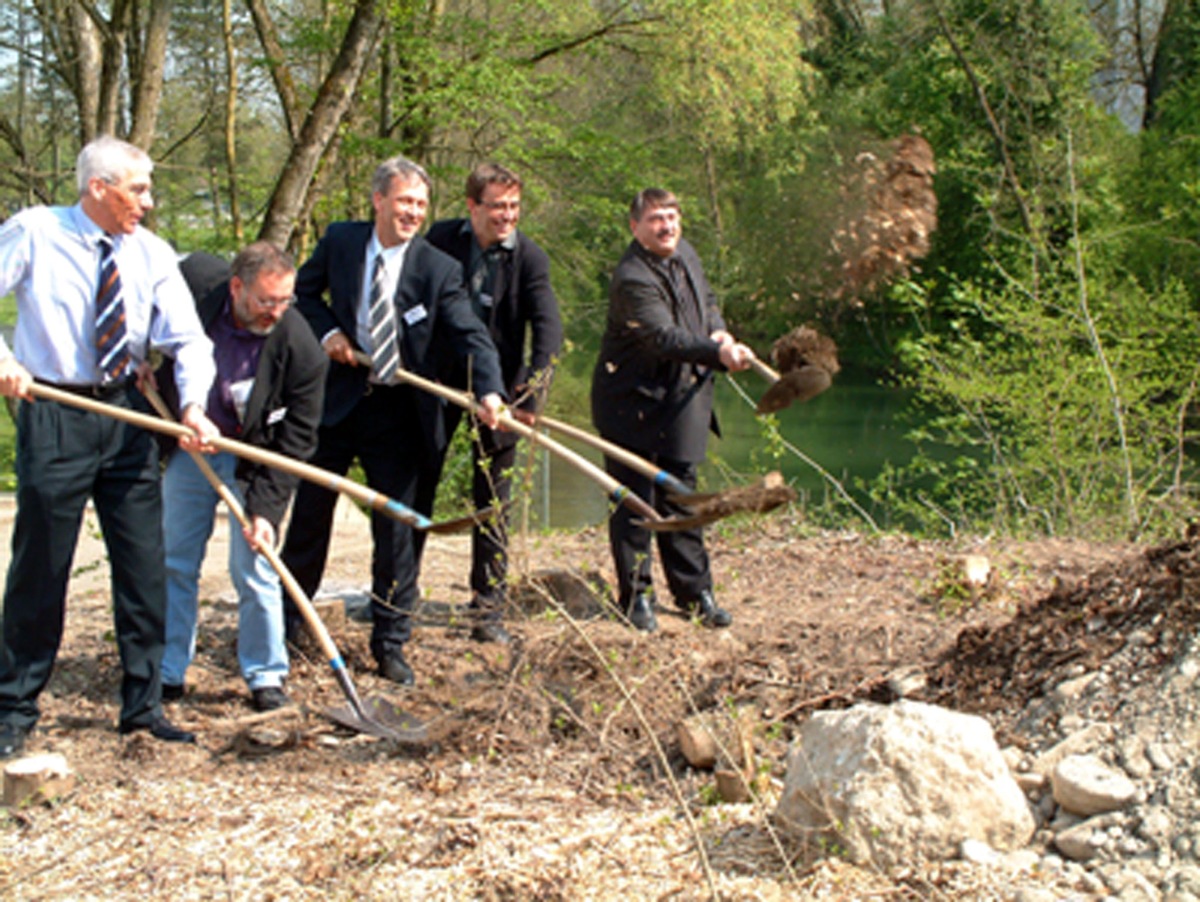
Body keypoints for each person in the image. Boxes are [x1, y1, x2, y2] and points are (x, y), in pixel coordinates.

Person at [0, 135, 219, 759]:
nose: (147, 203)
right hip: (56, 407)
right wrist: (6, 361)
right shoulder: (36, 231)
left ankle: (143, 706)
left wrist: (195, 406)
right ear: (99, 187)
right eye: (139, 189)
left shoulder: (150, 254)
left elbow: (191, 342)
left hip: (127, 412)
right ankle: (14, 706)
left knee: (144, 562)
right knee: (42, 562)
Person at [280, 155, 505, 686]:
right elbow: (303, 295)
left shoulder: (437, 269)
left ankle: (391, 641)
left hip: (400, 411)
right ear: (379, 200)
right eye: (404, 201)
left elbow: (470, 333)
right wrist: (329, 334)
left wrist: (490, 389)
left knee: (398, 532)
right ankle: (288, 625)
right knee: (310, 516)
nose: (413, 213)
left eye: (421, 205)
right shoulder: (340, 241)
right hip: (337, 402)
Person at [158, 243, 327, 712]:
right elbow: (150, 316)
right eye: (264, 301)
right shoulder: (197, 288)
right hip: (191, 448)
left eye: (284, 301)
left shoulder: (301, 349)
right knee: (174, 559)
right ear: (237, 287)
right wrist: (145, 366)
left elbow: (297, 441)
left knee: (255, 566)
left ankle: (265, 676)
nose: (275, 311)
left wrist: (267, 511)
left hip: (255, 456)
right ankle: (168, 670)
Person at [590, 188, 753, 633]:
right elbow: (662, 338)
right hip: (631, 403)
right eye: (656, 219)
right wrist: (716, 354)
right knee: (634, 503)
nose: (667, 226)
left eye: (672, 216)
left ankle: (695, 593)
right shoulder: (631, 277)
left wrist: (718, 333)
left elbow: (709, 302)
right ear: (635, 227)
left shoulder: (687, 254)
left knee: (683, 497)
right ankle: (637, 597)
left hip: (683, 397)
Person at [424, 163, 563, 644]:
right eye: (497, 206)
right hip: (436, 383)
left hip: (501, 394)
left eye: (514, 207)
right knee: (417, 484)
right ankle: (396, 596)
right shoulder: (439, 240)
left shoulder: (530, 258)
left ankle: (489, 609)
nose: (507, 216)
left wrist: (529, 395)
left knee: (495, 500)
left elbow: (547, 331)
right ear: (472, 206)